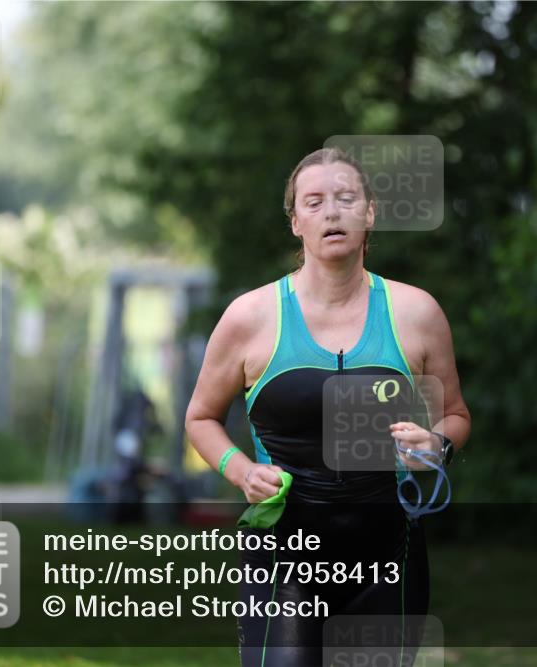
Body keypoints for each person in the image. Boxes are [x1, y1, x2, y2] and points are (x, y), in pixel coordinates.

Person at [185, 147, 471, 666]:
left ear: (370, 213)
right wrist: (241, 469)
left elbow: (456, 415)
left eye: (345, 198)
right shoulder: (251, 317)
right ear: (296, 222)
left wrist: (436, 445)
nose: (331, 212)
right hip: (282, 556)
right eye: (313, 202)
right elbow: (200, 417)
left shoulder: (416, 313)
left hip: (387, 556)